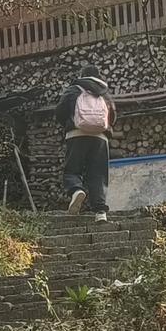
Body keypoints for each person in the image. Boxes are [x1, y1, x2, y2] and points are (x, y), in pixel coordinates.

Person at [55, 64, 116, 220]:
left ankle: (76, 190)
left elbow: (60, 111)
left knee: (72, 170)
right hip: (100, 137)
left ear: (82, 75)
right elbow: (113, 116)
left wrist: (68, 125)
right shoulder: (105, 93)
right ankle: (100, 212)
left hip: (76, 134)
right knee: (98, 174)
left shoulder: (74, 89)